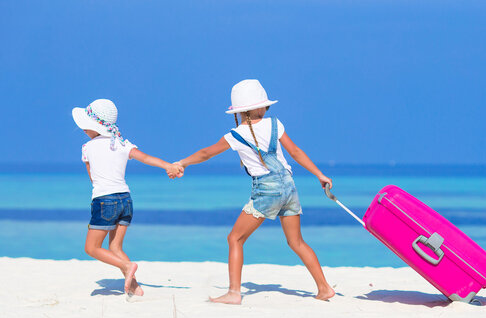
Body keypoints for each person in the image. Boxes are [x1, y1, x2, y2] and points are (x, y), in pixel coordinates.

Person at [175, 80, 335, 304]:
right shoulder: (275, 125)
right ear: (261, 108)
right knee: (297, 242)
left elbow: (205, 153)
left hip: (267, 190)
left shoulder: (235, 135)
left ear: (238, 111)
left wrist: (182, 163)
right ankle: (324, 288)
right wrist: (319, 174)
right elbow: (296, 152)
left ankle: (233, 293)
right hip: (289, 186)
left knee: (235, 238)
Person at [72, 99, 183, 296]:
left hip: (104, 200)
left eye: (84, 126)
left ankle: (127, 266)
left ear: (93, 126)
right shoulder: (123, 143)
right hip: (125, 199)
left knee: (91, 248)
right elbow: (146, 158)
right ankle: (135, 289)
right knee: (115, 247)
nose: (82, 130)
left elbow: (93, 179)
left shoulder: (87, 148)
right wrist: (168, 166)